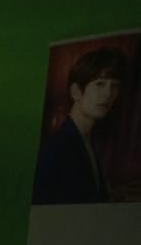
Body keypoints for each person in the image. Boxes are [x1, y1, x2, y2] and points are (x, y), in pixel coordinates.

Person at [32, 47, 127, 205]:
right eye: (100, 84)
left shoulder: (87, 139)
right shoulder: (58, 148)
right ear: (76, 91)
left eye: (115, 86)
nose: (108, 94)